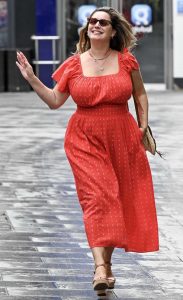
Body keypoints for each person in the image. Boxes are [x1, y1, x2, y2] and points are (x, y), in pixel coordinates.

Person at [16, 6, 159, 296]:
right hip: (84, 138)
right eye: (92, 21)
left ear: (113, 31)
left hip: (122, 134)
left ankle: (105, 267)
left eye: (102, 22)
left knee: (117, 199)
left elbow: (139, 93)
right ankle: (99, 267)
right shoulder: (73, 65)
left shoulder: (127, 61)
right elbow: (56, 100)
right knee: (99, 196)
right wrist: (32, 78)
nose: (95, 25)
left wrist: (143, 126)